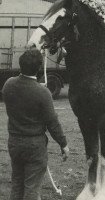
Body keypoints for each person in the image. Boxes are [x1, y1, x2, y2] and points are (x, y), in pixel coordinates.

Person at [2, 49, 69, 200]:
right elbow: (52, 123)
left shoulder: (8, 84)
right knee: (31, 190)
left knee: (17, 185)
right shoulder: (43, 92)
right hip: (34, 146)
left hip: (14, 143)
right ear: (39, 68)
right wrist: (63, 144)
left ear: (20, 65)